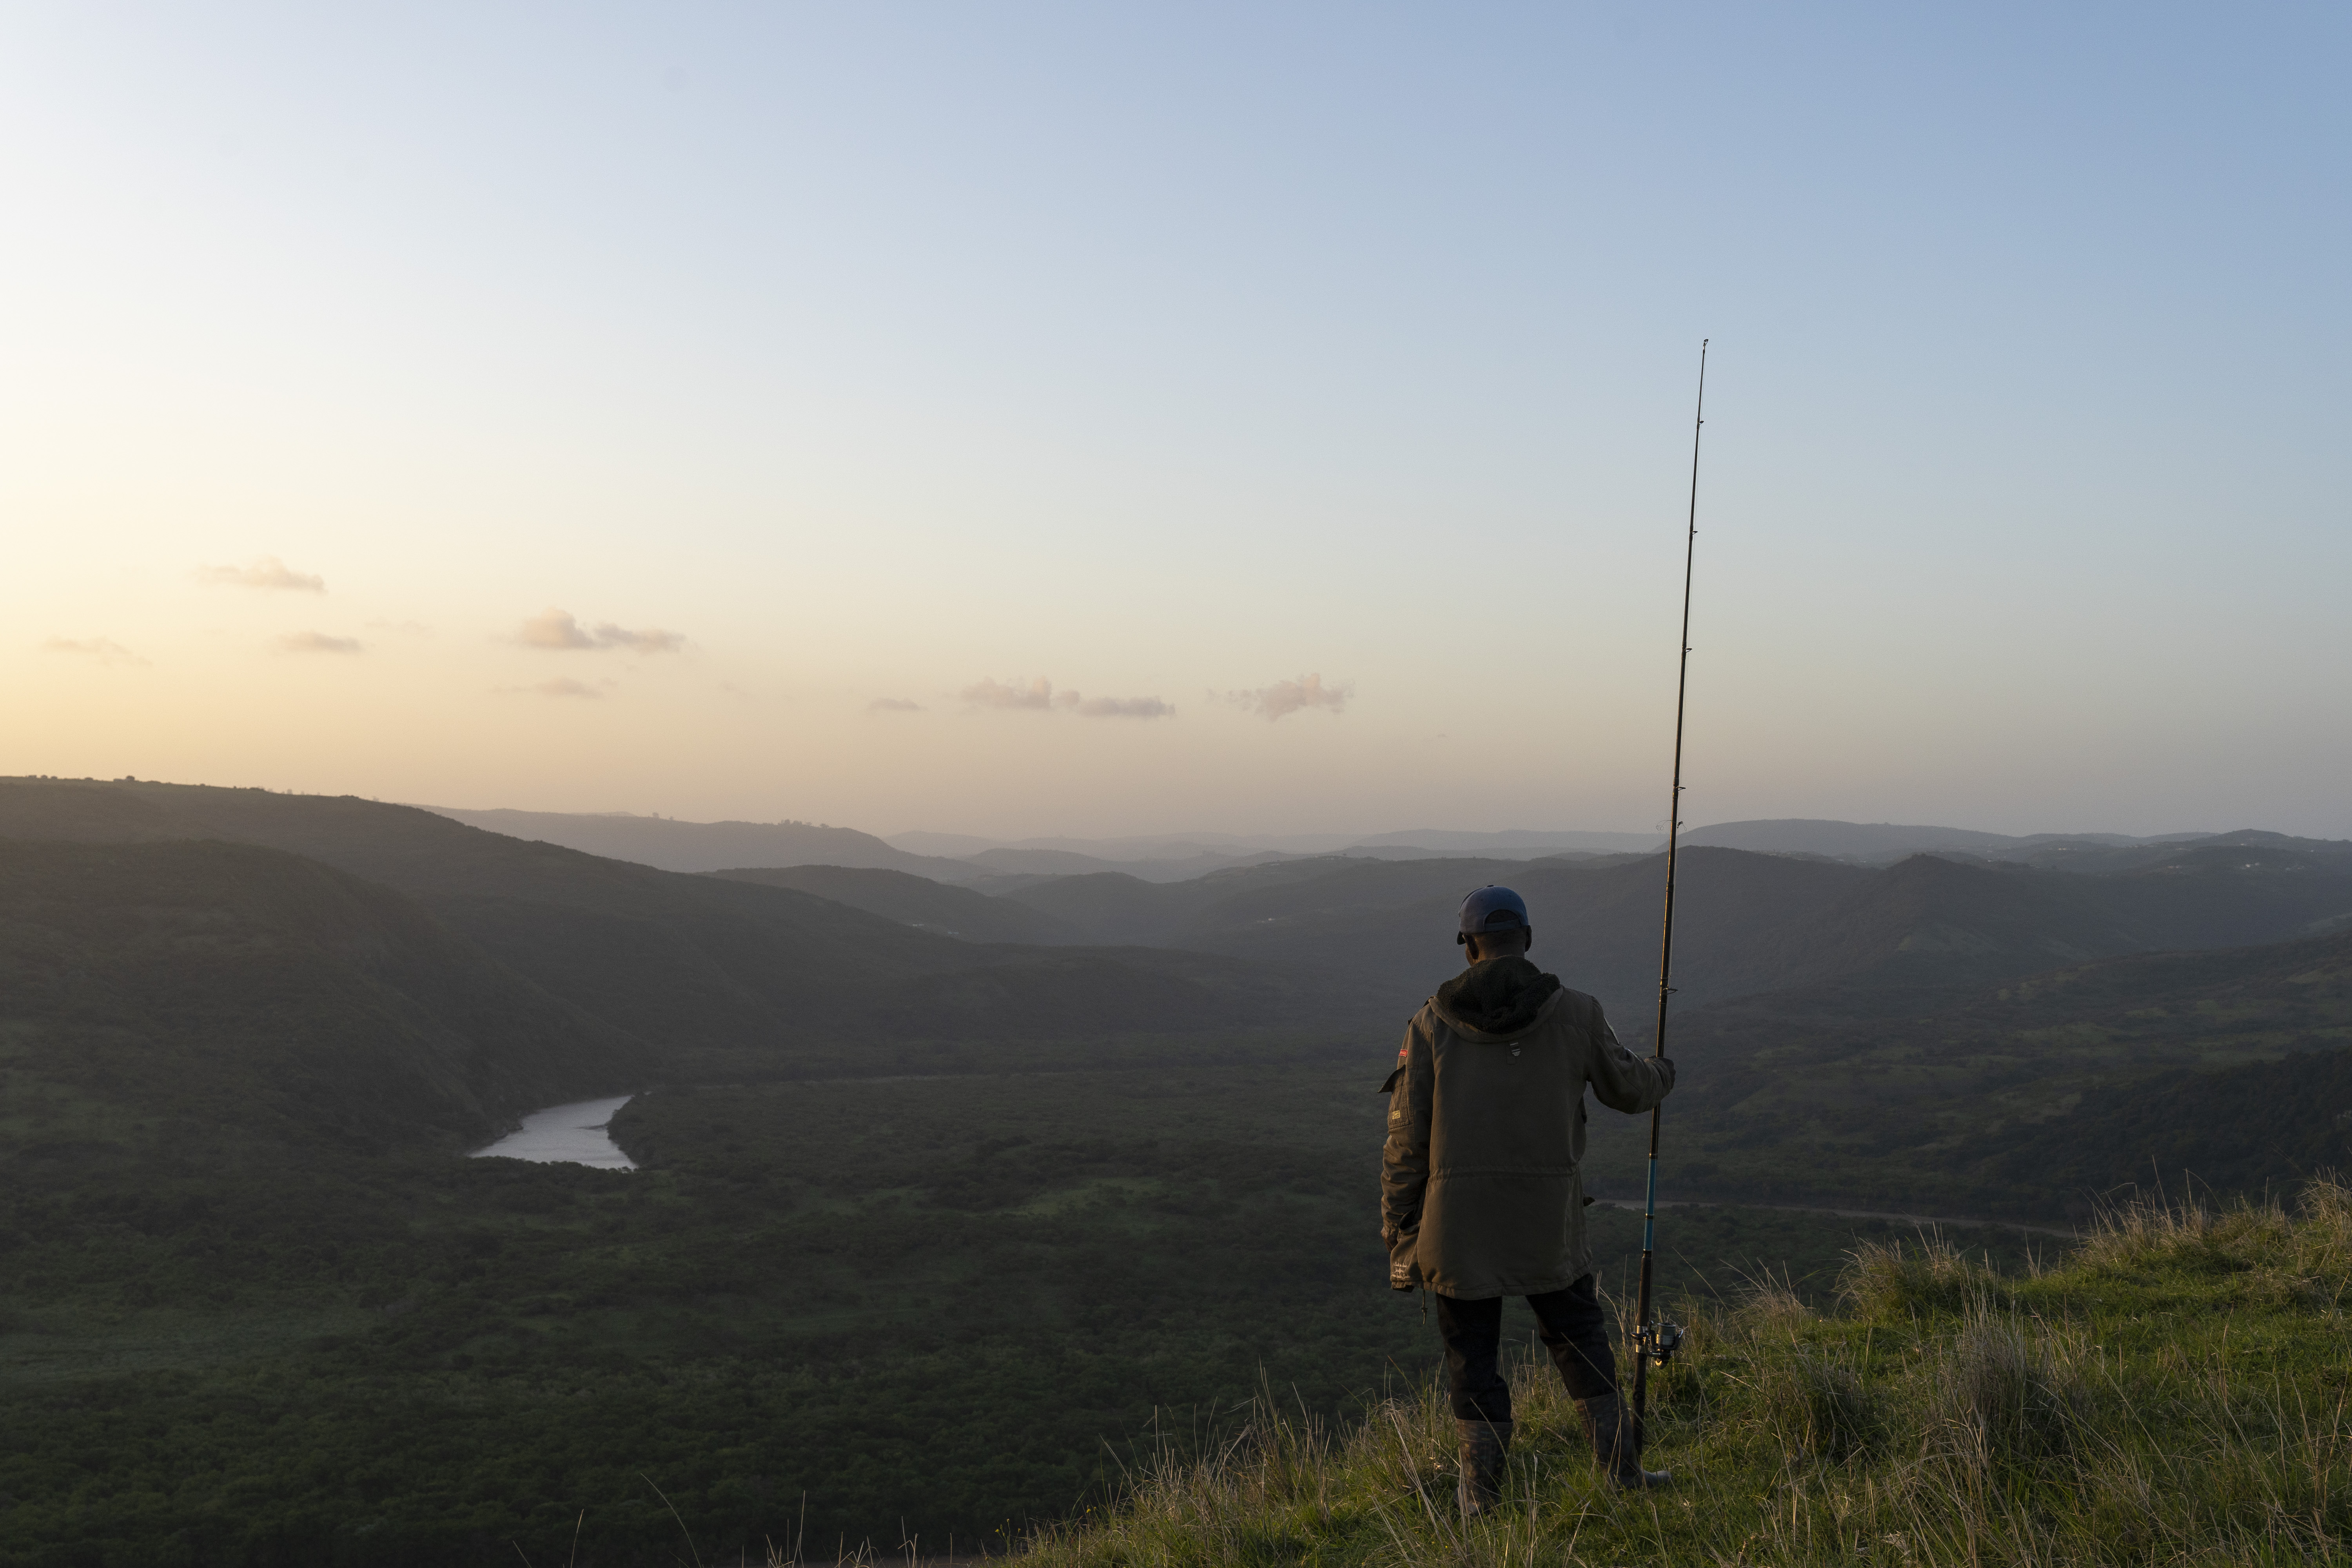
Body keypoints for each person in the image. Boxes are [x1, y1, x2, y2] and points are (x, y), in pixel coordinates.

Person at [1379, 884, 1677, 1512]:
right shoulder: (1577, 1013)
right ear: (1528, 941)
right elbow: (1628, 1089)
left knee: (1473, 1356)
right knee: (1579, 1337)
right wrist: (1663, 1072)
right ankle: (1620, 1472)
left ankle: (1480, 1496)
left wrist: (1399, 1233)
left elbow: (1405, 1142)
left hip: (1457, 1229)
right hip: (1549, 1221)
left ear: (1469, 948)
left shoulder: (1429, 1025)